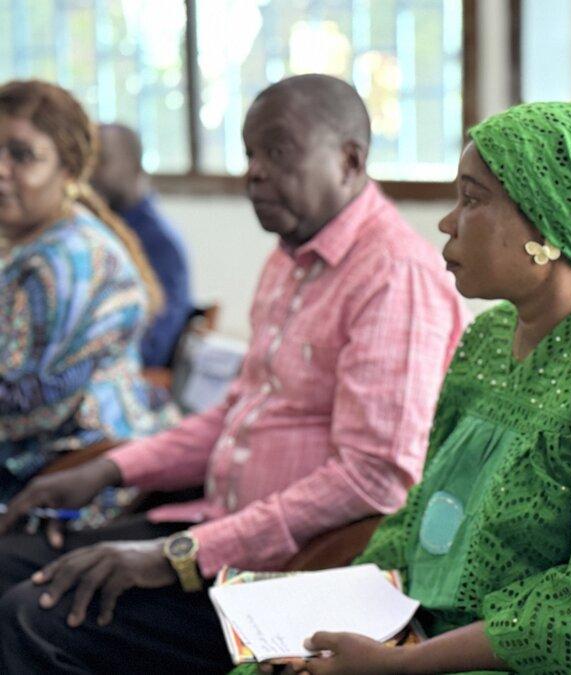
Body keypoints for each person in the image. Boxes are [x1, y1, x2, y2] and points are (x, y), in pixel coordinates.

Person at [250, 101, 571, 675]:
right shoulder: (493, 335)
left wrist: (401, 664)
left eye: (472, 200)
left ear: (549, 226)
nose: (448, 223)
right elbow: (426, 511)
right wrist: (331, 615)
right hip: (433, 635)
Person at [0, 74, 467, 673]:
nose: (254, 172)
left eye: (278, 151)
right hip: (219, 528)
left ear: (349, 160)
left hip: (293, 576)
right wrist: (110, 469)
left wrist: (178, 555)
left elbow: (373, 479)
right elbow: (234, 413)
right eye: (249, 153)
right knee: (14, 561)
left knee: (33, 616)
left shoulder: (393, 275)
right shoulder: (291, 260)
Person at [0, 80, 171, 501]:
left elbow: (27, 402)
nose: (1, 169)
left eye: (22, 156)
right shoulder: (32, 240)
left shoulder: (61, 261)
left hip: (77, 480)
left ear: (69, 169)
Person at [91, 122, 195, 368]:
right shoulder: (94, 232)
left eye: (102, 160)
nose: (91, 173)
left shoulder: (159, 244)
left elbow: (153, 348)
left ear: (136, 165)